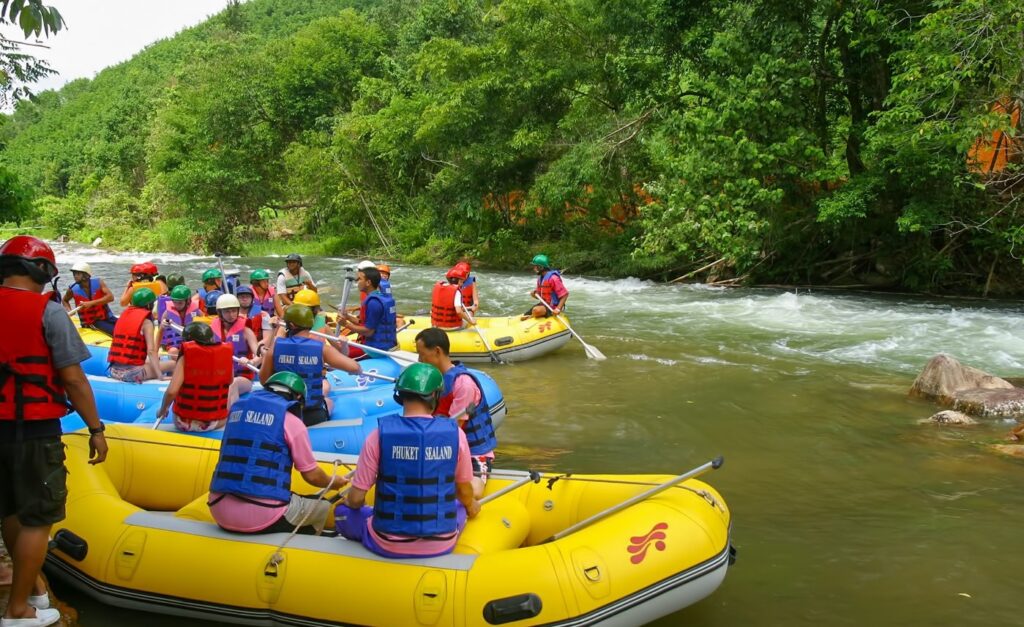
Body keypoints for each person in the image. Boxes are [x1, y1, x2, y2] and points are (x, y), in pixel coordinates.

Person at [1, 235, 107, 627]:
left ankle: (33, 592)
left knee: (10, 508)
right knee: (37, 518)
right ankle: (17, 611)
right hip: (33, 428)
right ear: (43, 272)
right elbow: (74, 379)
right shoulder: (49, 312)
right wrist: (96, 428)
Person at [335, 363, 479, 557]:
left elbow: (357, 498)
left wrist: (349, 502)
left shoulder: (378, 435)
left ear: (399, 396)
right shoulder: (457, 435)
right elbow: (464, 490)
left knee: (343, 510)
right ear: (435, 397)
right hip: (442, 543)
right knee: (461, 505)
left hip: (385, 542)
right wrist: (471, 506)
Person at [208, 372, 346, 534]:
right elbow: (312, 476)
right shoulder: (291, 422)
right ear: (297, 398)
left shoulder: (235, 413)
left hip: (218, 507)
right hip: (263, 514)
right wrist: (333, 482)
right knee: (322, 505)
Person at [415, 327, 497, 498]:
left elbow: (454, 430)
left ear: (437, 351)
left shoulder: (463, 384)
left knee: (473, 492)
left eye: (422, 354)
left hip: (474, 453)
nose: (419, 360)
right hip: (442, 449)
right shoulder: (434, 380)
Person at [259, 305, 361, 427]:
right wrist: (357, 369)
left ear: (290, 325)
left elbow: (263, 380)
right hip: (311, 414)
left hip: (282, 411)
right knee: (329, 402)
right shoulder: (321, 348)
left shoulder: (276, 346)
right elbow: (355, 367)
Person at [155, 322, 237, 433]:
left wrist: (162, 409)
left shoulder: (186, 357)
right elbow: (230, 380)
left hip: (183, 422)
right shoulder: (225, 354)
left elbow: (171, 392)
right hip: (214, 423)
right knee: (232, 388)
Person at [210, 294, 260, 402]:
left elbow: (259, 355)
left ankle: (230, 416)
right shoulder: (212, 330)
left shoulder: (246, 331)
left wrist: (251, 362)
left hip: (242, 378)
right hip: (220, 375)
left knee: (233, 383)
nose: (231, 315)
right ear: (220, 313)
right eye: (227, 311)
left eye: (233, 311)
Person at [107, 287, 161, 382]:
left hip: (113, 371)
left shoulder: (124, 315)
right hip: (132, 374)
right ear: (149, 305)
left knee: (155, 360)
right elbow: (151, 351)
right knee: (172, 364)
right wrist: (160, 376)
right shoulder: (147, 322)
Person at [341, 266, 397, 357]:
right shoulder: (378, 297)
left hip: (376, 350)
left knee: (340, 351)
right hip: (383, 346)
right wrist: (348, 317)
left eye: (360, 279)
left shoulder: (373, 303)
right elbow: (366, 323)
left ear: (368, 282)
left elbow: (368, 331)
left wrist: (346, 324)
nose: (357, 282)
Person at [62, 261, 117, 335]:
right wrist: (69, 310)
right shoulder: (72, 289)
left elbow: (110, 297)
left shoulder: (99, 282)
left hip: (108, 317)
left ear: (86, 275)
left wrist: (90, 303)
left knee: (125, 327)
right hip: (91, 323)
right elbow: (65, 300)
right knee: (116, 332)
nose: (75, 276)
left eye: (78, 274)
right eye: (74, 274)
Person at [522, 254, 569, 320]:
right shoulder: (540, 279)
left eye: (535, 266)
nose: (534, 268)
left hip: (553, 307)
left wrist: (558, 309)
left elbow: (565, 294)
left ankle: (533, 316)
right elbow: (540, 297)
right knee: (526, 314)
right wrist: (534, 295)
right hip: (544, 305)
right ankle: (532, 316)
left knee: (536, 310)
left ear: (541, 267)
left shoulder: (554, 278)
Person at [159, 285, 200, 354]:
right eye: (174, 302)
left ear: (188, 301)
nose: (177, 305)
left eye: (180, 303)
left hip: (190, 343)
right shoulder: (167, 314)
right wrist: (163, 325)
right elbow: (161, 331)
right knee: (173, 351)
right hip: (173, 345)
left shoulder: (197, 312)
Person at [431, 265, 475, 330]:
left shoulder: (438, 287)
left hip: (434, 325)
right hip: (451, 326)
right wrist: (470, 321)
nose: (462, 284)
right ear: (457, 280)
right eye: (461, 281)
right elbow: (459, 311)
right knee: (469, 315)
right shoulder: (456, 291)